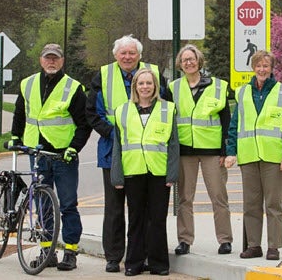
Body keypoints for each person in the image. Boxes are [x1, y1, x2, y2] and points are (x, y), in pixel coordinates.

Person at [85, 34, 167, 273]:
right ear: (115, 55)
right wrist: (115, 134)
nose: (128, 57)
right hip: (112, 151)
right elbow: (93, 113)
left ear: (140, 55)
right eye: (123, 53)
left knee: (146, 210)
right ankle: (113, 256)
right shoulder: (102, 76)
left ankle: (145, 256)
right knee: (114, 208)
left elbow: (165, 108)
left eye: (132, 53)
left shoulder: (153, 74)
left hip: (146, 156)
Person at [9, 43, 91, 271]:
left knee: (67, 205)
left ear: (62, 61)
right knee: (43, 204)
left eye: (55, 58)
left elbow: (84, 124)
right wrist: (16, 137)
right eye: (48, 58)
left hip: (62, 155)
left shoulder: (73, 87)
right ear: (41, 60)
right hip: (36, 153)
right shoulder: (27, 84)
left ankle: (71, 251)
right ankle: (47, 251)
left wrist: (74, 148)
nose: (51, 62)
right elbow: (19, 114)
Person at [224, 50, 282, 261]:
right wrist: (231, 152)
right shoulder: (242, 92)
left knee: (273, 204)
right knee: (251, 204)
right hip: (248, 157)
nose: (262, 69)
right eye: (258, 65)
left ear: (272, 68)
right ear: (253, 67)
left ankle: (273, 246)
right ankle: (254, 245)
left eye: (266, 66)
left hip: (274, 158)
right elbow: (234, 125)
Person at [111, 68, 179, 276]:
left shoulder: (168, 109)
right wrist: (117, 175)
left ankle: (159, 264)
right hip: (133, 171)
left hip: (158, 173)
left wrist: (172, 174)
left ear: (156, 86)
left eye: (149, 83)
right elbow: (117, 146)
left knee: (157, 220)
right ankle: (134, 263)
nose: (145, 87)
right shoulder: (122, 110)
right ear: (135, 87)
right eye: (141, 83)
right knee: (136, 219)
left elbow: (174, 144)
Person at [167, 44, 233, 256]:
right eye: (185, 59)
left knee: (218, 196)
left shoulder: (218, 86)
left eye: (192, 59)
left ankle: (225, 240)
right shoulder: (173, 88)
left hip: (212, 151)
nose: (188, 62)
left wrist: (226, 149)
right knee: (185, 198)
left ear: (199, 61)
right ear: (180, 63)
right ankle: (185, 240)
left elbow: (226, 120)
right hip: (185, 151)